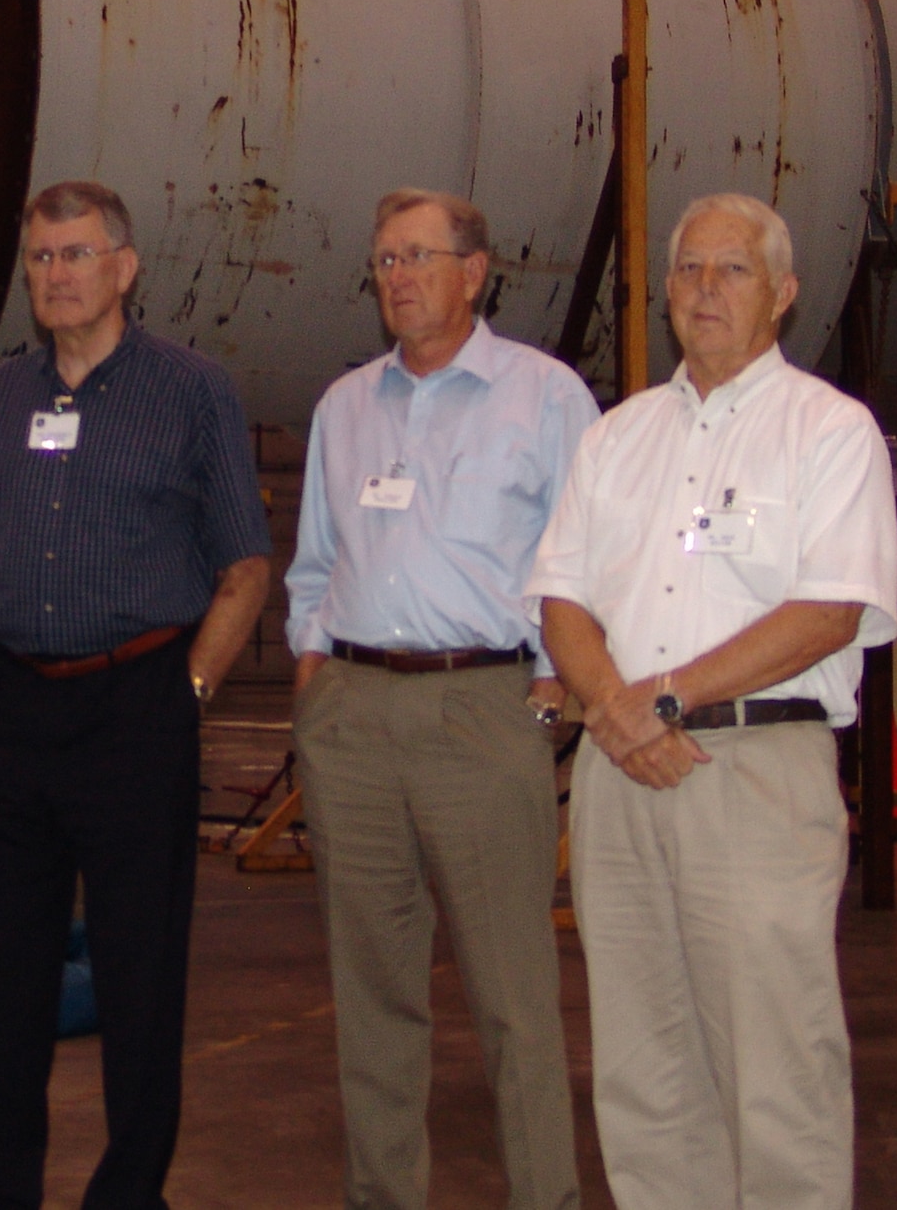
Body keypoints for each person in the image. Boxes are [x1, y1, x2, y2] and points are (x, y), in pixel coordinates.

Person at [527, 192, 897, 1210]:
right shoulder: (618, 435)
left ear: (779, 294)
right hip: (618, 772)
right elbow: (559, 594)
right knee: (642, 1064)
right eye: (687, 268)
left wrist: (665, 700)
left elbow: (829, 610)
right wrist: (616, 711)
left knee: (775, 1060)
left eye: (730, 270)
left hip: (753, 774)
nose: (701, 289)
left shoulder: (826, 432)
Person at [0, 179, 271, 1210]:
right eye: (41, 259)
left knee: (138, 978)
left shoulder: (189, 391)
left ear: (124, 267)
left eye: (76, 255)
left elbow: (245, 566)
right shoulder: (1, 396)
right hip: (0, 714)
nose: (56, 276)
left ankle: (129, 1194)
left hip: (132, 710)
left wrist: (189, 691)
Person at [284, 189, 593, 1210]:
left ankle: (542, 1197)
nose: (398, 276)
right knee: (373, 999)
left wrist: (551, 693)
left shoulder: (543, 399)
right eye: (382, 260)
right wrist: (312, 666)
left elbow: (586, 558)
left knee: (512, 1000)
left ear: (475, 271)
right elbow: (314, 562)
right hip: (355, 713)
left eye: (418, 256)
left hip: (482, 706)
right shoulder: (344, 406)